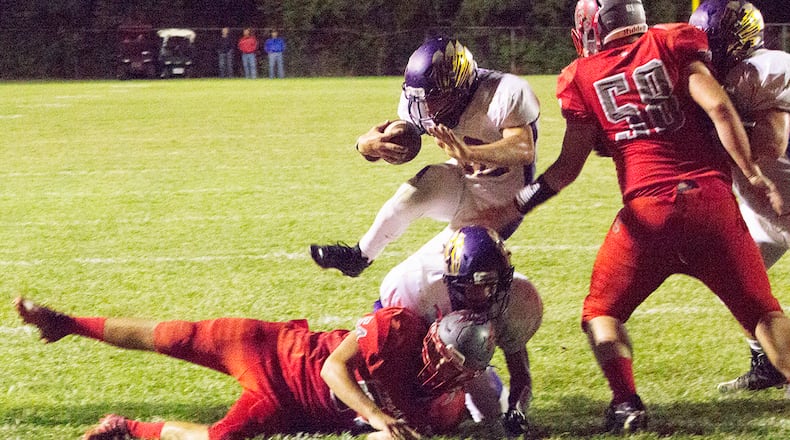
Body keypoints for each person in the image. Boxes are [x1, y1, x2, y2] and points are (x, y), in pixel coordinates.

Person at [509, 0, 790, 433]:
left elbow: (567, 167)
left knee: (601, 310)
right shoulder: (672, 41)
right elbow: (717, 108)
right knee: (763, 313)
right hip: (712, 205)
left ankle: (626, 403)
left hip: (647, 215)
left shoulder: (581, 76)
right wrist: (753, 174)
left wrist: (521, 202)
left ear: (591, 25)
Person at [15, 297, 495, 440]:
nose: (433, 361)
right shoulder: (400, 328)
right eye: (436, 349)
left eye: (446, 363)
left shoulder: (443, 410)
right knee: (167, 335)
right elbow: (333, 368)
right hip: (270, 347)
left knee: (220, 439)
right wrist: (376, 415)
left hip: (285, 405)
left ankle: (129, 430)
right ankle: (67, 323)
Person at [310, 36, 539, 279]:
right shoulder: (425, 101)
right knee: (415, 191)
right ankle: (359, 256)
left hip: (501, 200)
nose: (425, 106)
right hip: (466, 177)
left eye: (433, 96)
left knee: (419, 275)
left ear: (458, 86)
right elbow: (401, 136)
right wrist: (367, 144)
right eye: (420, 98)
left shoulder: (505, 91)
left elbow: (523, 149)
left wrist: (469, 152)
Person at [689, 0, 790, 393]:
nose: (709, 51)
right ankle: (767, 364)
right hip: (765, 211)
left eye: (716, 42)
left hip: (781, 196)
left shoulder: (762, 69)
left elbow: (771, 141)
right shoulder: (723, 74)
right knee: (740, 284)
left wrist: (711, 127)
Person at [377, 224, 543, 436]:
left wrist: (517, 410)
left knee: (494, 416)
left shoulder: (516, 298)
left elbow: (520, 371)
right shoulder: (418, 288)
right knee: (417, 414)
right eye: (476, 285)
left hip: (467, 357)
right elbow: (389, 335)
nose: (487, 293)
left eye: (494, 283)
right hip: (421, 349)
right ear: (453, 282)